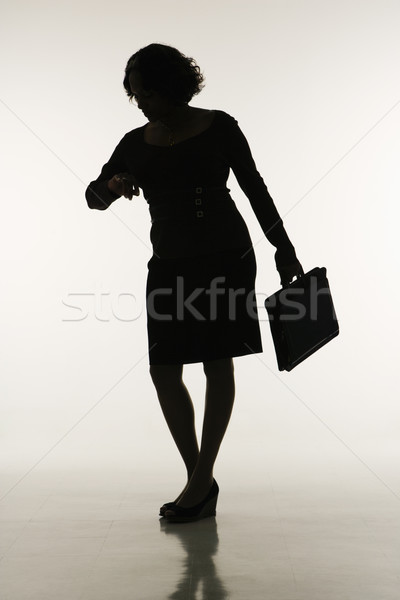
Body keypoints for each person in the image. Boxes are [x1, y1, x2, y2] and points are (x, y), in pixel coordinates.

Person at [85, 43, 303, 523]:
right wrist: (115, 186)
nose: (138, 101)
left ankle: (200, 483)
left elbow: (254, 187)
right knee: (163, 368)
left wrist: (282, 247)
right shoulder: (133, 143)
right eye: (133, 94)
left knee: (216, 362)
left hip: (227, 258)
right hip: (169, 264)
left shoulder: (219, 125)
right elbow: (92, 198)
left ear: (170, 87)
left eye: (144, 92)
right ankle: (200, 479)